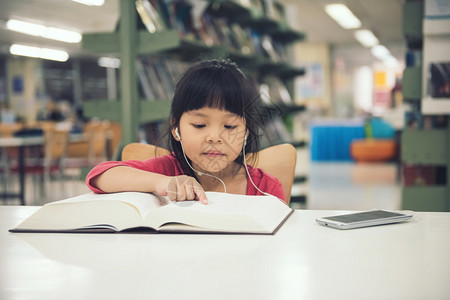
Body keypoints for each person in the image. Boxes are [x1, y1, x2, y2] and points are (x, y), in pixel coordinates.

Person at [85, 59, 285, 204]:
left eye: (230, 126)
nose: (214, 137)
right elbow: (99, 176)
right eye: (199, 125)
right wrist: (162, 183)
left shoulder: (266, 188)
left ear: (247, 132)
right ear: (175, 128)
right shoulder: (168, 170)